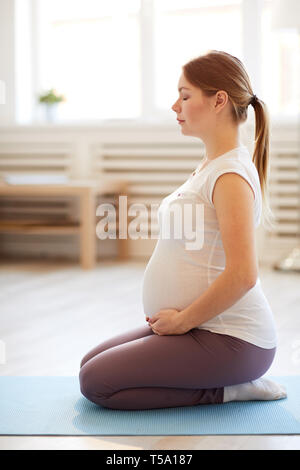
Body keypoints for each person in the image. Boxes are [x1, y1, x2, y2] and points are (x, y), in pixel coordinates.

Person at [79, 50, 287, 410]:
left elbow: (243, 275)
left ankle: (232, 390)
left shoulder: (230, 176)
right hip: (199, 328)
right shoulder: (212, 165)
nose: (176, 106)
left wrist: (181, 322)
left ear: (219, 100)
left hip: (233, 339)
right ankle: (221, 378)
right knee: (89, 365)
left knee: (97, 384)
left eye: (185, 95)